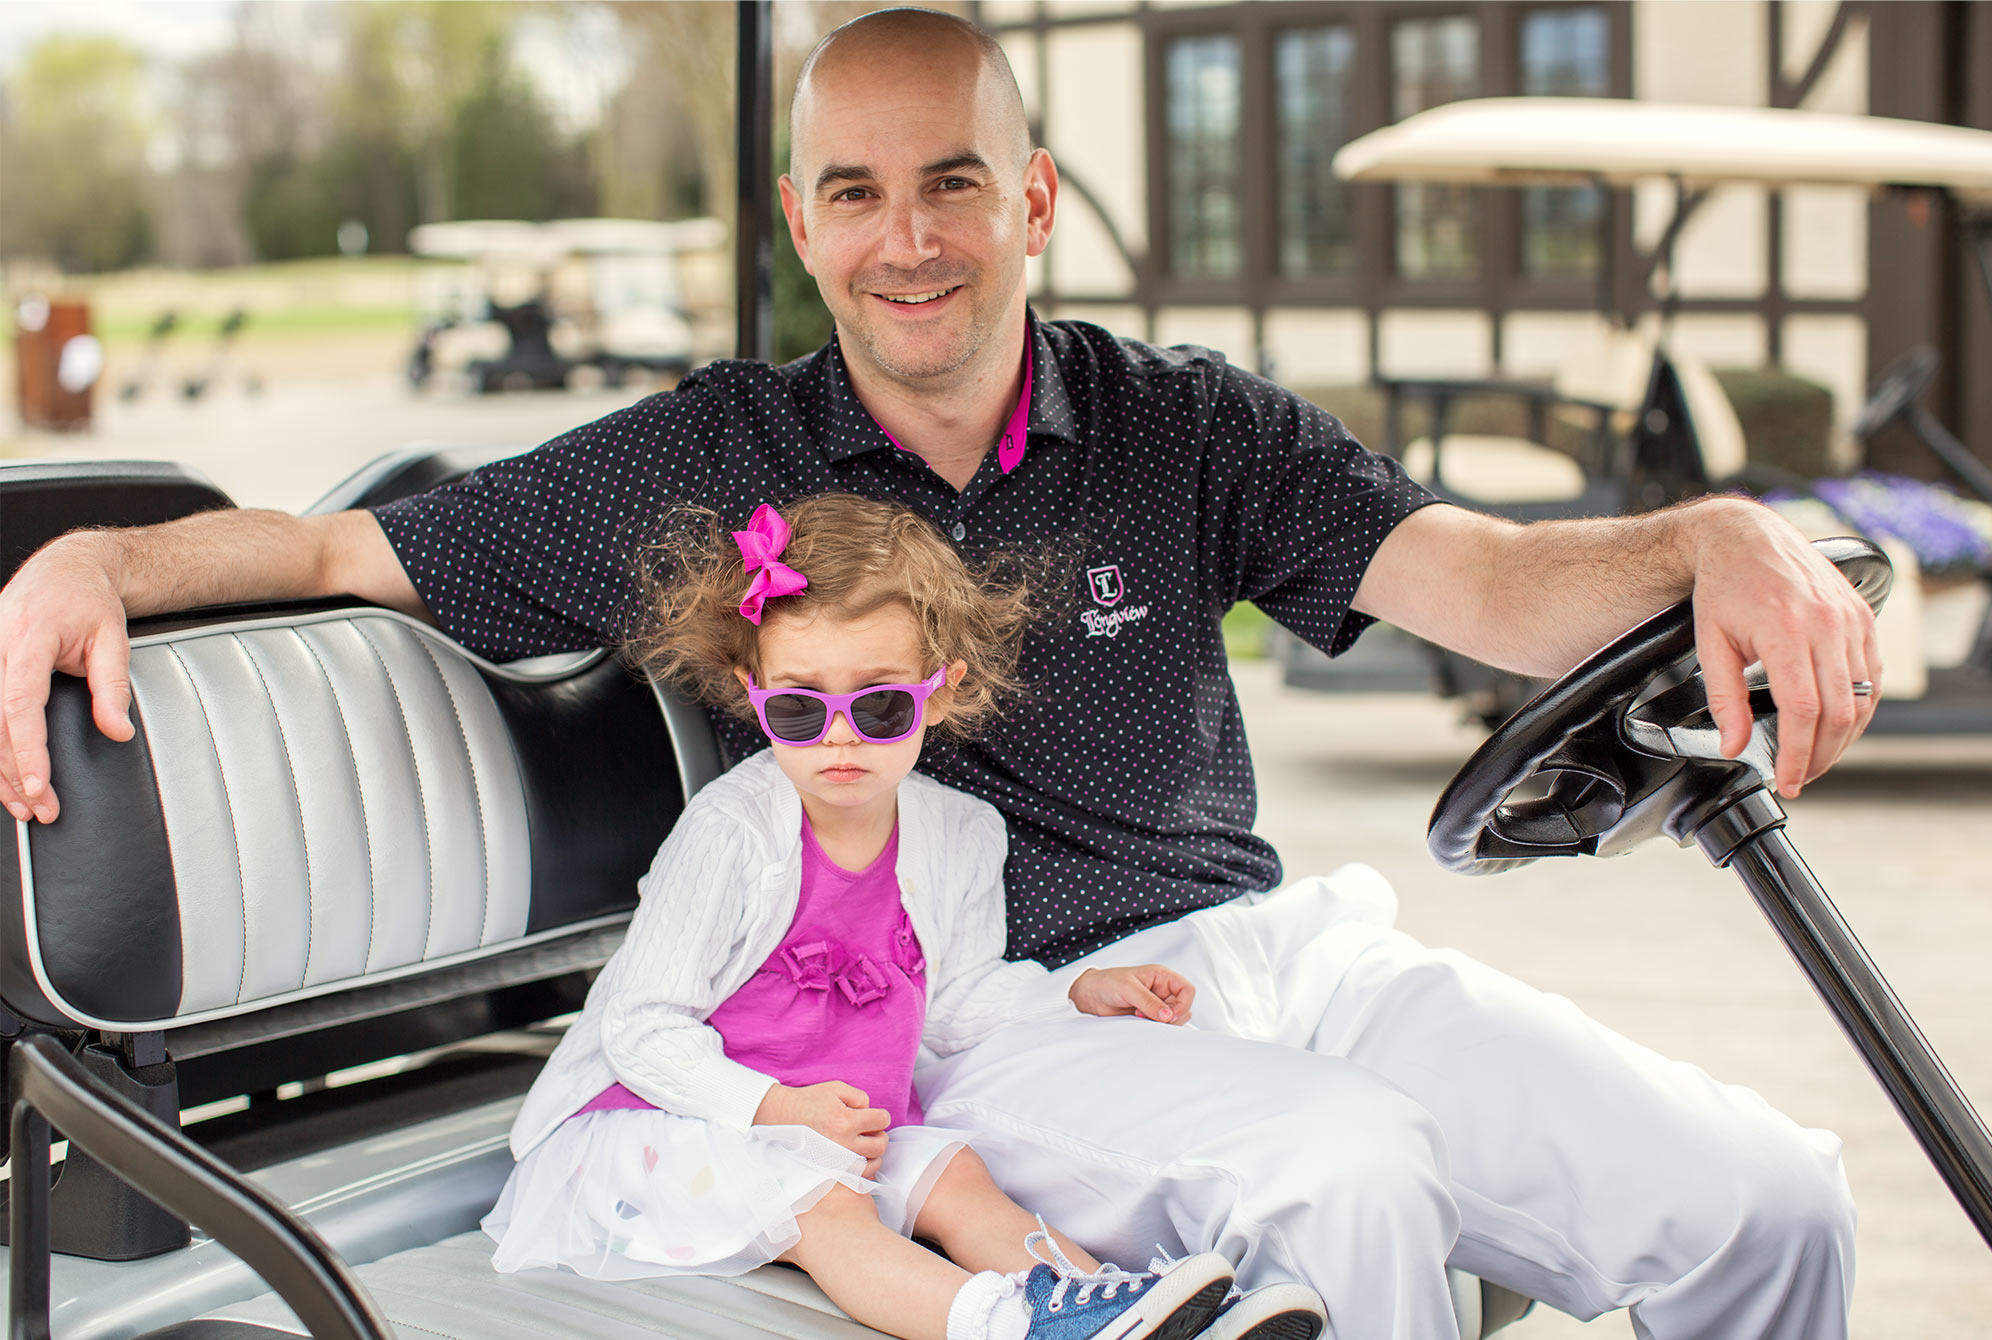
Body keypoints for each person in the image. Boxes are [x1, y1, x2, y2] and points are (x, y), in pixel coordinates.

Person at [0, 8, 1878, 1338]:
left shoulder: (1186, 424)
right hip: (997, 1027)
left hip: (1273, 953)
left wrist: (1706, 540)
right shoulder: (717, 454)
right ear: (804, 221)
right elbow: (346, 551)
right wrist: (101, 560)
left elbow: (1485, 577)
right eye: (858, 192)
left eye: (955, 183)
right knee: (1355, 1177)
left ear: (1035, 201)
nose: (909, 241)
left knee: (1775, 1204)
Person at [483, 494, 1322, 1340]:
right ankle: (1014, 1326)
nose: (839, 738)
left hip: (830, 1132)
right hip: (659, 1130)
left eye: (880, 706)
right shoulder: (732, 831)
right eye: (799, 709)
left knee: (961, 1177)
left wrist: (1074, 992)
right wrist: (776, 1109)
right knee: (825, 1207)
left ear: (940, 692)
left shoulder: (961, 833)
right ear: (754, 693)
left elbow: (951, 1005)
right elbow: (640, 1027)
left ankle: (1127, 1308)